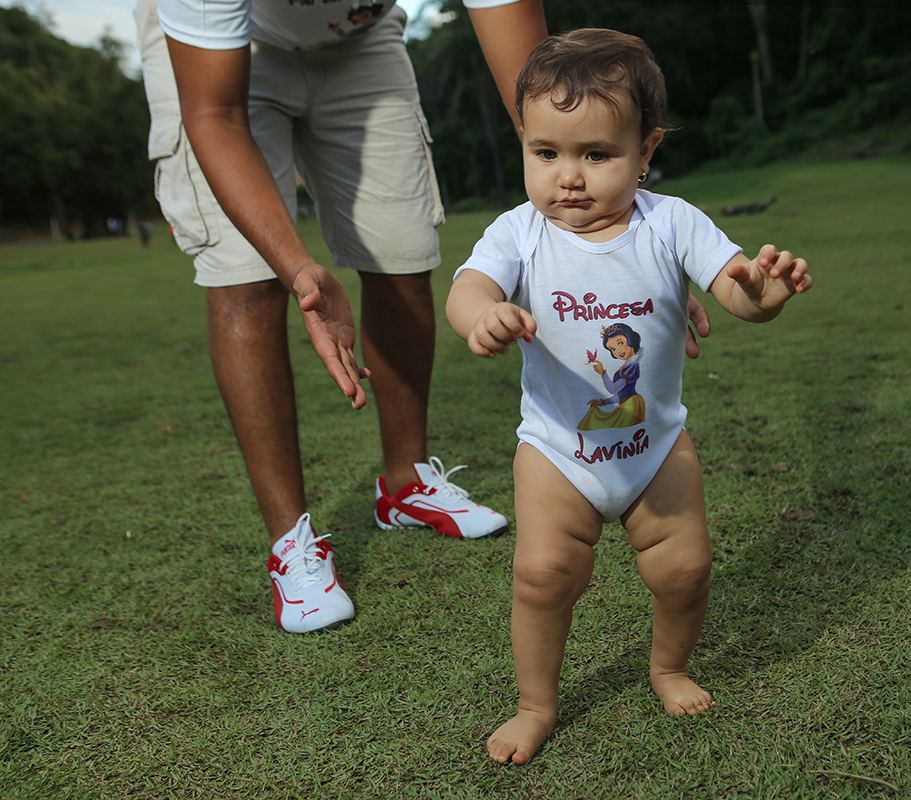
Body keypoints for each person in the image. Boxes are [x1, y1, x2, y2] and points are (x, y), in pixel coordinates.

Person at [445, 28, 813, 764]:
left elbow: (734, 288)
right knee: (544, 576)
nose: (568, 177)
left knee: (685, 569)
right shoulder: (520, 232)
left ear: (645, 151)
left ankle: (668, 667)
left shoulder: (671, 222)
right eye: (545, 153)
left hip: (656, 447)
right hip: (557, 451)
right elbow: (469, 286)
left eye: (596, 155)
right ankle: (535, 703)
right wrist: (481, 315)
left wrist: (763, 296)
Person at [133, 0, 550, 634]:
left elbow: (539, 96)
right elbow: (215, 115)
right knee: (248, 281)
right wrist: (297, 267)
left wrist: (610, 234)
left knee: (403, 256)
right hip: (221, 62)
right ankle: (290, 543)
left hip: (360, 41)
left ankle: (406, 485)